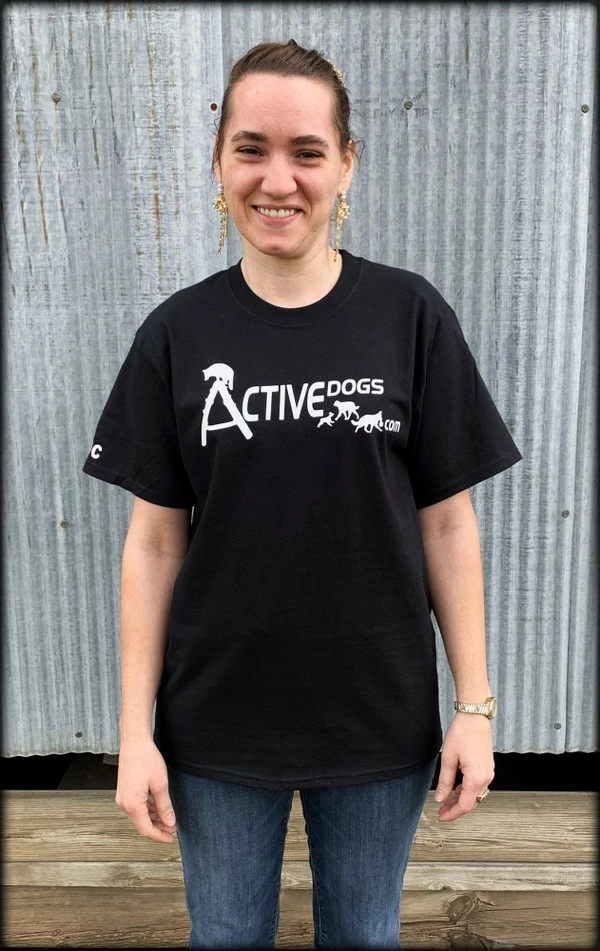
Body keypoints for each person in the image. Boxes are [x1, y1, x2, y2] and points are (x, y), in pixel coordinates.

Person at [82, 39, 522, 951]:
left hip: (377, 719)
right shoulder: (176, 333)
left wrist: (474, 708)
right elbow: (154, 544)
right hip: (215, 727)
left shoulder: (410, 316)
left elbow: (448, 523)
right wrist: (134, 732)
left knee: (363, 934)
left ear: (345, 163)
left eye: (307, 151)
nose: (276, 179)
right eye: (251, 148)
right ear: (219, 160)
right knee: (225, 936)